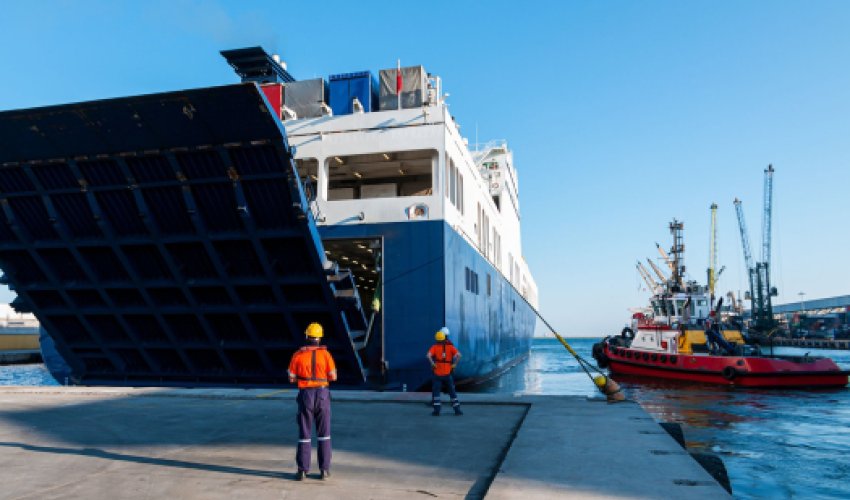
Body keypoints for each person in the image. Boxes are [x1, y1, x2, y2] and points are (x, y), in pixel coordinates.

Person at [288, 322, 337, 481]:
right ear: (319, 338)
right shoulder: (326, 355)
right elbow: (333, 376)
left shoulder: (298, 355)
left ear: (307, 336)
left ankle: (302, 470)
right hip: (322, 394)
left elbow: (291, 377)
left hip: (305, 395)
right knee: (324, 434)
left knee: (305, 433)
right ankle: (324, 470)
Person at [426, 329, 462, 416]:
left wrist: (433, 364)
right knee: (452, 392)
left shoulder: (434, 347)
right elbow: (459, 355)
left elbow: (428, 356)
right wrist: (454, 365)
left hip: (437, 374)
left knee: (436, 393)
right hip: (447, 374)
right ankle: (457, 410)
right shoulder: (450, 347)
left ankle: (436, 411)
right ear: (444, 339)